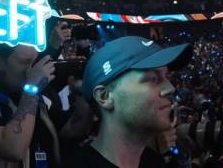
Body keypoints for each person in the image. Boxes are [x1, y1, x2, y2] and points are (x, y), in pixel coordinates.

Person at [65, 36, 193, 168]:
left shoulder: (154, 161)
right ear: (105, 96)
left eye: (166, 77)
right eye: (153, 79)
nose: (170, 88)